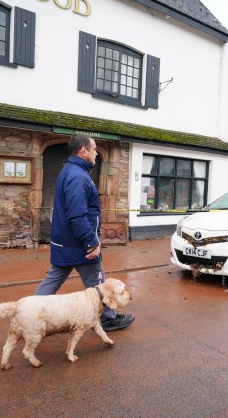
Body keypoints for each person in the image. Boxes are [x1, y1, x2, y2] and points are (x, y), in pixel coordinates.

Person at [34, 135, 135, 332]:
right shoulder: (79, 177)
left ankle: (31, 312)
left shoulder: (70, 171)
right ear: (84, 151)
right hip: (80, 244)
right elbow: (77, 215)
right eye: (94, 149)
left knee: (53, 279)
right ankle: (108, 319)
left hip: (66, 243)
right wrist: (91, 242)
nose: (96, 152)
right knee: (98, 282)